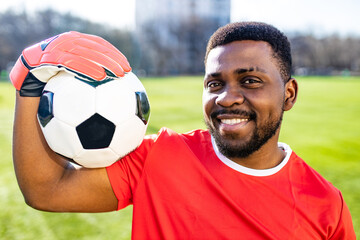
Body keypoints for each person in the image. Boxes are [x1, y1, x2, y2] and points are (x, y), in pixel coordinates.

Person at [11, 22, 355, 239]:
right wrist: (28, 84)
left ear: (289, 94)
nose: (228, 98)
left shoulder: (326, 206)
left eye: (250, 81)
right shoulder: (160, 156)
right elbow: (48, 190)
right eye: (214, 83)